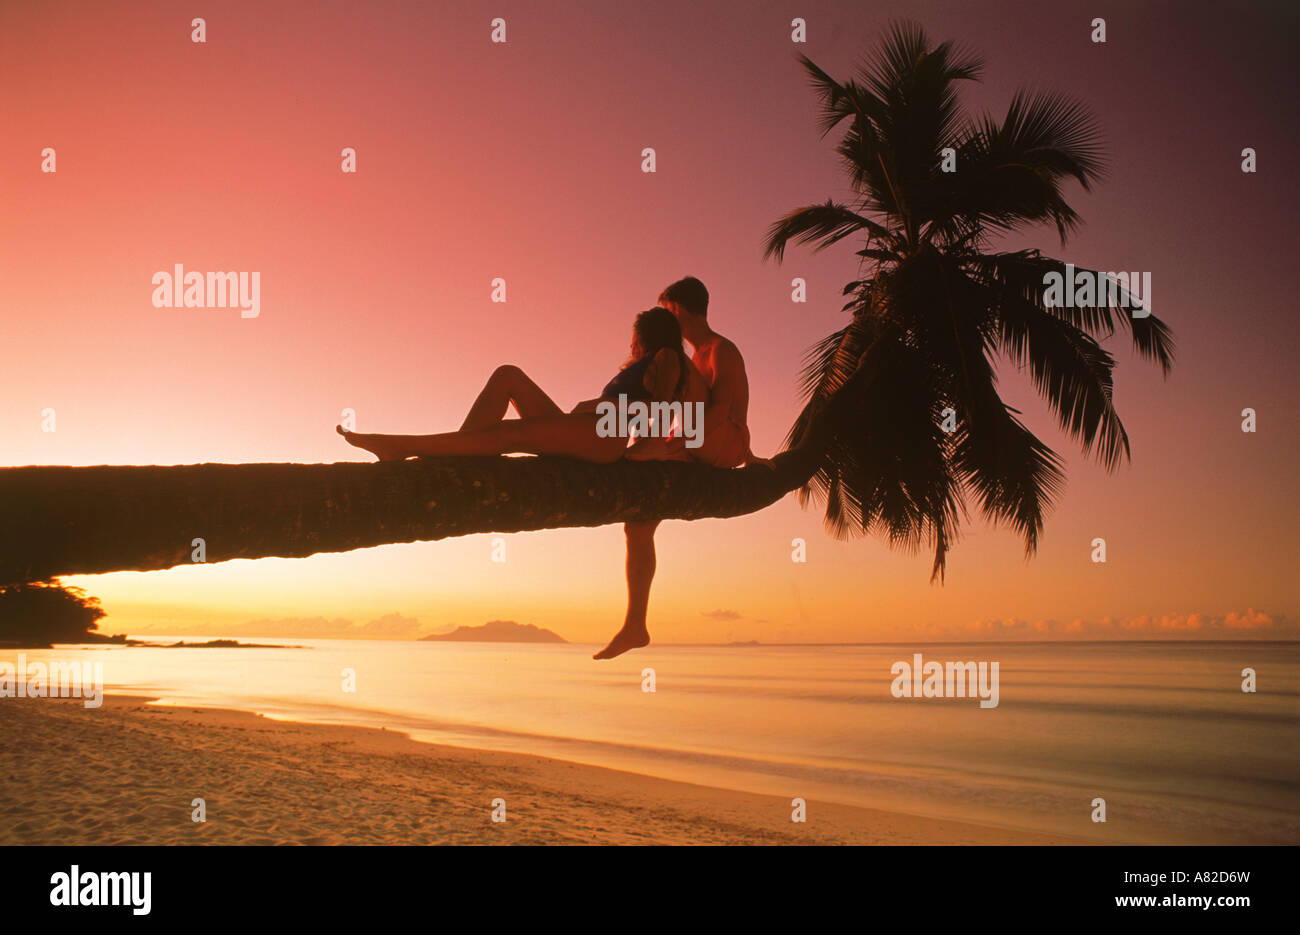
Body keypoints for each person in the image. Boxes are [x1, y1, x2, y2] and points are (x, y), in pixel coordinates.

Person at [594, 277, 770, 660]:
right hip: (694, 440)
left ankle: (648, 443)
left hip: (722, 440)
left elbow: (724, 411)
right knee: (637, 525)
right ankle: (635, 624)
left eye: (668, 311)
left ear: (682, 310)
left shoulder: (719, 350)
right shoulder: (691, 357)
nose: (665, 318)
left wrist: (677, 442)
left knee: (669, 360)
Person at [337, 307, 690, 462]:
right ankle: (457, 451)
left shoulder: (666, 357)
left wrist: (650, 448)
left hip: (604, 434)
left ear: (645, 337)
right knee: (508, 375)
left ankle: (403, 447)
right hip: (590, 430)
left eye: (635, 338)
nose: (631, 345)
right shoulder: (648, 364)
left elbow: (664, 407)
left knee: (510, 435)